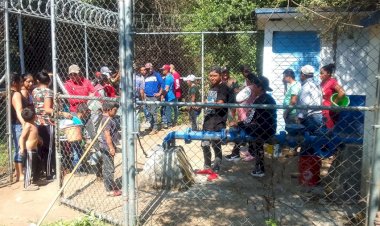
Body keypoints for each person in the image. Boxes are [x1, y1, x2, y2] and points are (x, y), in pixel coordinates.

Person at [33, 71, 71, 180]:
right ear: (49, 82)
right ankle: (49, 173)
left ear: (37, 81)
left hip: (37, 123)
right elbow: (47, 109)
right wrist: (62, 113)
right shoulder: (48, 92)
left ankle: (40, 171)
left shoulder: (35, 91)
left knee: (41, 148)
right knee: (49, 148)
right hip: (47, 123)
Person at [235, 76, 277, 177]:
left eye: (254, 86)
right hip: (271, 128)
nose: (252, 88)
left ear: (260, 88)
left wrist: (240, 124)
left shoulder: (258, 100)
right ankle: (258, 166)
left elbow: (250, 118)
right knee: (258, 142)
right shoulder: (270, 99)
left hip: (260, 129)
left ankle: (236, 153)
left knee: (239, 126)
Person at [200, 67, 229, 174]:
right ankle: (207, 165)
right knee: (205, 144)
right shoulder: (212, 87)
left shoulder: (223, 87)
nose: (212, 78)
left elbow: (220, 103)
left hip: (218, 121)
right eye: (211, 75)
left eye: (215, 76)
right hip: (208, 120)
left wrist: (207, 103)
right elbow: (211, 103)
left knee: (216, 145)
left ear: (220, 76)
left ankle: (216, 167)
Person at [225, 73, 257, 162]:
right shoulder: (252, 90)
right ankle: (250, 152)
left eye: (247, 80)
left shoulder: (250, 89)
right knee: (246, 134)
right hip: (245, 116)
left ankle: (236, 154)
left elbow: (239, 99)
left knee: (241, 134)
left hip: (246, 116)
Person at [98, 102, 122, 197]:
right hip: (106, 146)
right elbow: (107, 135)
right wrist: (111, 147)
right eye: (114, 110)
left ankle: (110, 185)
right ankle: (109, 190)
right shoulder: (107, 120)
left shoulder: (108, 119)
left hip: (106, 146)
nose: (116, 112)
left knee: (109, 167)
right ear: (109, 110)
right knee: (109, 168)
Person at [297, 65, 323, 135]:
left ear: (303, 74)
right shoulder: (316, 84)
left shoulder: (306, 86)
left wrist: (300, 117)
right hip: (318, 115)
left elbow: (304, 104)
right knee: (315, 139)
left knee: (307, 140)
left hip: (310, 118)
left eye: (300, 73)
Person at [19, 108, 41, 191]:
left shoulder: (33, 124)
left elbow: (34, 135)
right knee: (29, 167)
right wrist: (22, 148)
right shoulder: (28, 125)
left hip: (34, 150)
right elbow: (22, 138)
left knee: (37, 165)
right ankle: (27, 184)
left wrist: (39, 139)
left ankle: (36, 179)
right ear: (34, 117)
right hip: (29, 151)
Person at [10, 73, 26, 182]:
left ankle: (17, 172)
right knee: (20, 148)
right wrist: (24, 124)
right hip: (17, 124)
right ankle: (20, 175)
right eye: (20, 82)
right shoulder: (16, 94)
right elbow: (19, 111)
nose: (21, 84)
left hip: (12, 124)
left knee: (16, 147)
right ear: (15, 83)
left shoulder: (8, 93)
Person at [320, 63, 345, 129]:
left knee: (329, 130)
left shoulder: (332, 82)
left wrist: (334, 104)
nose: (320, 75)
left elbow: (342, 92)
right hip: (322, 110)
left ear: (328, 73)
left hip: (330, 111)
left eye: (322, 73)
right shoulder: (322, 83)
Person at [144, 63, 164, 134]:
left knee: (154, 112)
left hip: (154, 97)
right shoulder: (146, 76)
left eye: (149, 68)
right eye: (146, 69)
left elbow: (162, 83)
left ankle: (155, 128)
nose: (148, 70)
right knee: (149, 112)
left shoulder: (156, 75)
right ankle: (151, 126)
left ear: (152, 68)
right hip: (147, 97)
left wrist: (159, 93)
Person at [161, 64, 176, 129]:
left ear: (167, 70)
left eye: (163, 70)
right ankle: (166, 123)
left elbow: (166, 89)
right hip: (170, 95)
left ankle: (168, 124)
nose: (162, 71)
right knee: (166, 109)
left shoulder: (168, 78)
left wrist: (162, 96)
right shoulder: (170, 76)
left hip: (168, 96)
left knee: (167, 110)